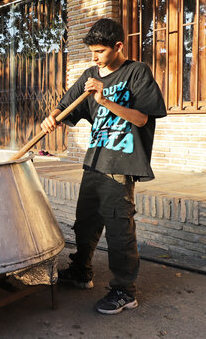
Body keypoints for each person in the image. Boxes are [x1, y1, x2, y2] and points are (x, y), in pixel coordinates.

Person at [40, 18, 167, 315]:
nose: (94, 57)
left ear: (118, 46)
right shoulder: (89, 75)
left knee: (119, 228)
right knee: (85, 223)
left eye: (100, 51)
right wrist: (53, 116)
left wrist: (105, 99)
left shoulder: (137, 73)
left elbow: (142, 119)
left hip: (120, 165)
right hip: (95, 162)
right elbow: (66, 103)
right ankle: (82, 271)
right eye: (92, 51)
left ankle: (125, 290)